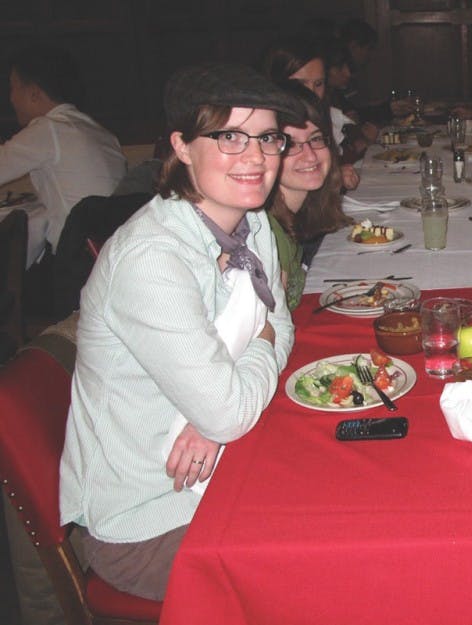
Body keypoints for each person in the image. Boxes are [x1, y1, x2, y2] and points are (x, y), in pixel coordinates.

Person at [59, 62, 298, 601]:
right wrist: (229, 397)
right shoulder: (152, 259)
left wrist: (220, 412)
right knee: (320, 567)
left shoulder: (250, 222)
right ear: (183, 146)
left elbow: (281, 322)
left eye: (268, 138)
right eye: (230, 136)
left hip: (224, 470)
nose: (256, 157)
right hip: (150, 519)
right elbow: (245, 382)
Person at [0, 44, 126, 252]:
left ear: (34, 94)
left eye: (13, 88)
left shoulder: (50, 129)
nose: (11, 98)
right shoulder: (99, 131)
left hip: (80, 258)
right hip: (112, 248)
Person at [267, 83, 351, 310]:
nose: (310, 155)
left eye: (315, 139)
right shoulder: (266, 234)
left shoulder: (293, 216)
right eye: (290, 144)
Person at [260, 37, 361, 189]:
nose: (311, 94)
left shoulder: (323, 113)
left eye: (318, 84)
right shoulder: (265, 125)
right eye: (300, 84)